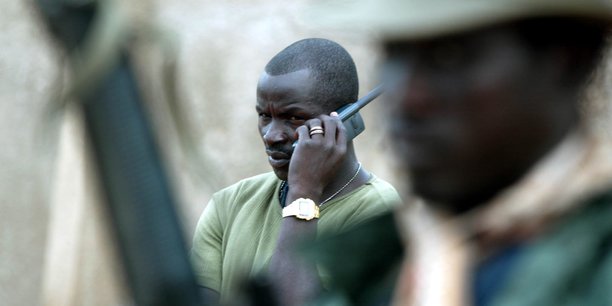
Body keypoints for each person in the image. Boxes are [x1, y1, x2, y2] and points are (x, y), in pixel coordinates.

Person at [305, 0, 612, 305]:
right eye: (394, 53)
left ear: (567, 59)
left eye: (448, 56)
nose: (406, 98)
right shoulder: (380, 264)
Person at [190, 38, 400, 305]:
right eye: (265, 116)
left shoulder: (376, 214)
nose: (271, 135)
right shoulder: (229, 204)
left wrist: (304, 193)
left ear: (343, 121)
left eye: (294, 117)